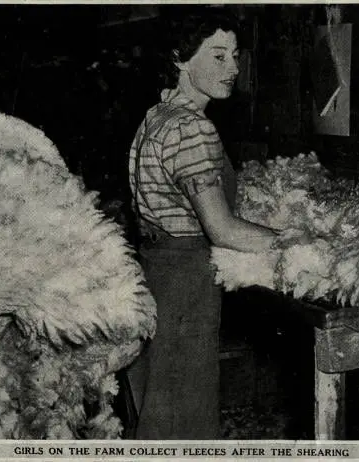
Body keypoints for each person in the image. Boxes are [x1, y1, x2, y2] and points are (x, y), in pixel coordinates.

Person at [125, 9, 308, 439]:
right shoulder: (193, 129)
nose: (234, 68)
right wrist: (303, 242)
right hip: (186, 283)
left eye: (236, 56)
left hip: (153, 272)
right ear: (180, 59)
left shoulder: (156, 117)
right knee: (182, 417)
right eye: (218, 56)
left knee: (155, 409)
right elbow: (223, 230)